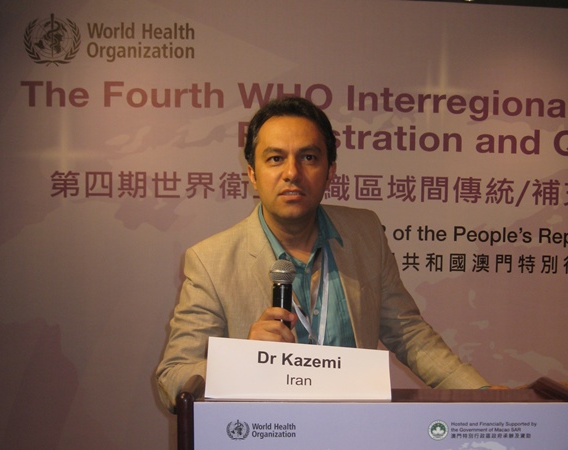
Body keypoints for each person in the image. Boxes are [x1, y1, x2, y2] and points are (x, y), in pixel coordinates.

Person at [156, 96, 491, 411]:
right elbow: (173, 379)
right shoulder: (210, 261)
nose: (292, 173)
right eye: (275, 159)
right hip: (264, 436)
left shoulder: (365, 233)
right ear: (252, 175)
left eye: (308, 157)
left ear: (330, 171)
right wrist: (243, 361)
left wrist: (484, 394)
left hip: (351, 433)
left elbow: (409, 334)